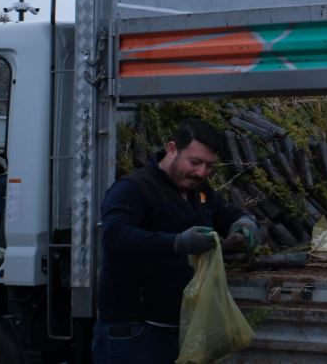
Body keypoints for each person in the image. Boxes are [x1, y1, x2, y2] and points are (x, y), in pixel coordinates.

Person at [92, 118, 258, 363]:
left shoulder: (199, 193)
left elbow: (231, 214)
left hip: (179, 331)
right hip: (134, 335)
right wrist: (177, 243)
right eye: (195, 162)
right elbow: (115, 237)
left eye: (209, 166)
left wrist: (245, 226)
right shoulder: (133, 189)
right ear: (171, 149)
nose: (202, 172)